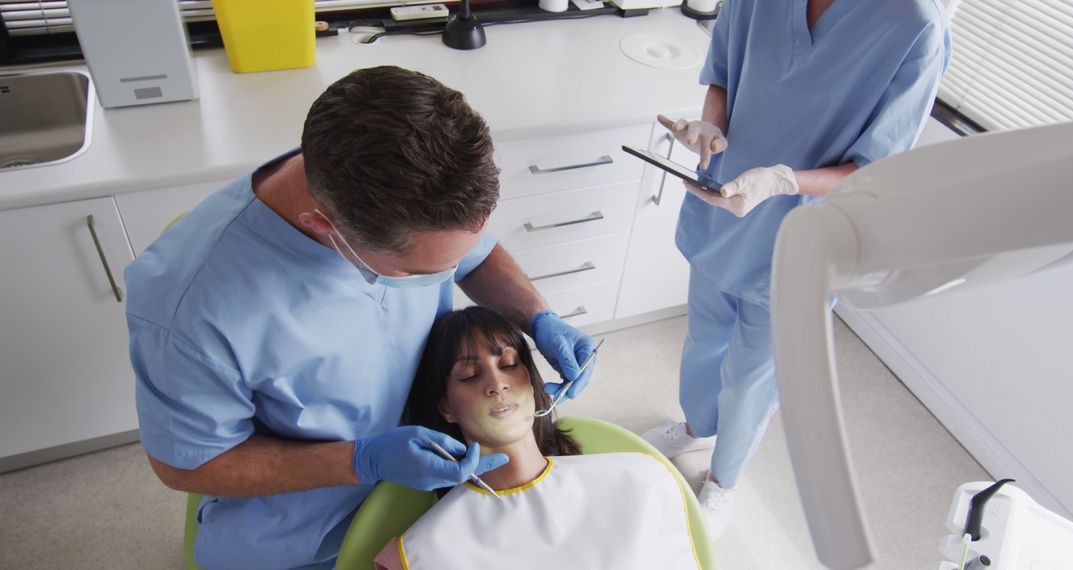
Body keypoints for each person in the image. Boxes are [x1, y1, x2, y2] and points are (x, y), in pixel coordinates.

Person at [124, 66, 598, 569]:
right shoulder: (189, 311)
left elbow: (472, 252)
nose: (451, 271)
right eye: (423, 272)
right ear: (326, 228)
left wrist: (537, 315)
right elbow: (186, 463)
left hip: (437, 485)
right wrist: (359, 460)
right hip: (306, 532)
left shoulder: (410, 194)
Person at [642, 0, 952, 536]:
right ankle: (697, 427)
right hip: (726, 206)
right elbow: (723, 74)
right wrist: (708, 132)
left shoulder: (914, 26)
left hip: (804, 233)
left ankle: (723, 480)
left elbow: (875, 169)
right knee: (704, 338)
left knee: (753, 376)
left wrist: (784, 181)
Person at [373, 306, 702, 570]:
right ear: (446, 408)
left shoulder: (642, 480)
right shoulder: (420, 553)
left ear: (532, 384)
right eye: (470, 375)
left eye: (509, 364)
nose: (497, 383)